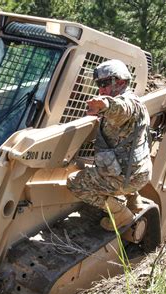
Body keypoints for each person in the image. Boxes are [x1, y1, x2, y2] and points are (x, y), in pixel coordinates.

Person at [67, 59, 152, 231]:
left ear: (120, 82)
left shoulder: (129, 103)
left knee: (74, 182)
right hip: (139, 172)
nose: (101, 89)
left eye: (104, 84)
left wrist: (105, 104)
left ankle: (120, 214)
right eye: (99, 84)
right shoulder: (136, 101)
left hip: (127, 178)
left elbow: (122, 109)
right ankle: (134, 201)